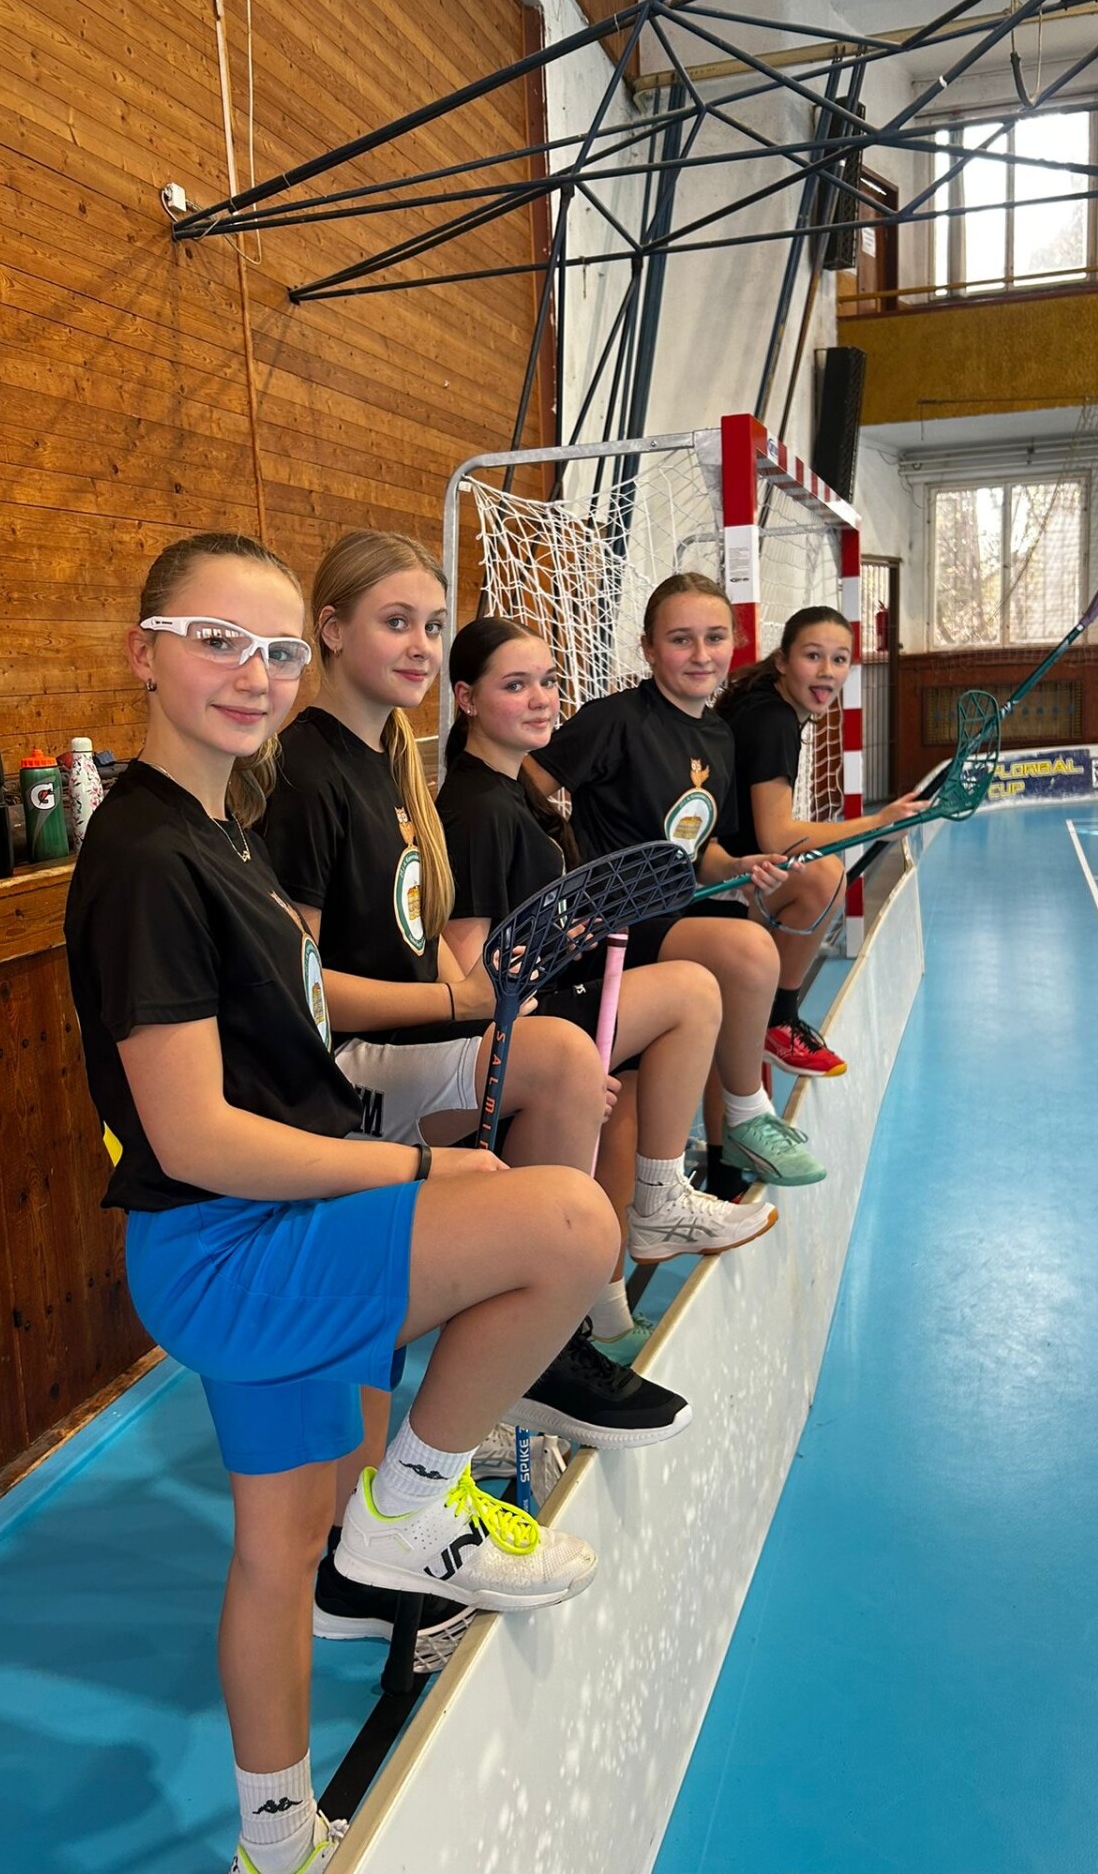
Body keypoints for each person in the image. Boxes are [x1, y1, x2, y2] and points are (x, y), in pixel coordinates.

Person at [63, 532, 619, 1874]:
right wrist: (422, 1167)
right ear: (144, 655)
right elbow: (196, 1135)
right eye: (215, 642)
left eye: (272, 652)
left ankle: (274, 1835)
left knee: (277, 1548)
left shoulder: (220, 831)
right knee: (569, 1224)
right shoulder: (148, 856)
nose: (251, 674)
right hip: (236, 1247)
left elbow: (303, 1017)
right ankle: (410, 1511)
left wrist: (461, 1006)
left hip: (247, 1236)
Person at [257, 531, 693, 1642]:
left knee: (563, 1064)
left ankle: (533, 1342)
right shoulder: (307, 772)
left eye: (430, 623)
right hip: (342, 1074)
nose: (417, 643)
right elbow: (303, 994)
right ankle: (519, 1344)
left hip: (407, 1047)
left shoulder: (389, 763)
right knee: (549, 1068)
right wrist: (465, 1003)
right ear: (330, 631)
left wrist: (489, 1001)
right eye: (394, 621)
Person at [437, 615, 779, 1359]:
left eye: (548, 682)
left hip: (553, 1000)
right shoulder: (478, 810)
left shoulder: (519, 797)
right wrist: (554, 1061)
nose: (542, 699)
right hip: (513, 1033)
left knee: (630, 1101)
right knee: (692, 992)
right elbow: (471, 976)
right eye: (515, 685)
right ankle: (662, 1198)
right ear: (466, 699)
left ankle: (606, 1308)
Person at [525, 570, 827, 1190]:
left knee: (634, 1114)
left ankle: (692, 1176)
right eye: (680, 639)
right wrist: (553, 862)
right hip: (610, 924)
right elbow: (522, 786)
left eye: (714, 638)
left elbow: (702, 847)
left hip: (671, 917)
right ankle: (746, 1113)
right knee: (747, 950)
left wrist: (737, 867)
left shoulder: (718, 736)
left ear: (734, 644)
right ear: (648, 648)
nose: (700, 654)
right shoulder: (614, 720)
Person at [717, 605, 920, 1078]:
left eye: (840, 659)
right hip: (715, 882)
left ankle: (759, 1038)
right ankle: (778, 1019)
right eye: (813, 656)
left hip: (724, 865)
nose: (828, 670)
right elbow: (778, 835)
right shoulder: (772, 721)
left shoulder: (764, 704)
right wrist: (878, 823)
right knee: (825, 878)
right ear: (783, 660)